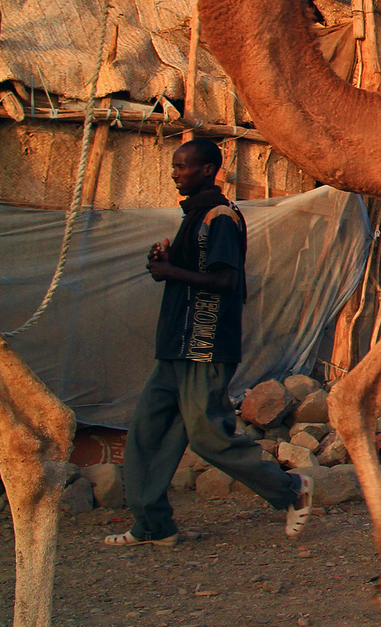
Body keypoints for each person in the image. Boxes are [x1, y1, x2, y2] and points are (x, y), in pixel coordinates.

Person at [105, 140, 311, 547]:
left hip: (206, 344)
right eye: (174, 166)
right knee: (146, 430)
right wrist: (164, 262)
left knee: (207, 435)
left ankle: (290, 490)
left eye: (183, 166)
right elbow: (188, 269)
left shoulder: (221, 218)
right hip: (176, 344)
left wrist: (169, 272)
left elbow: (225, 280)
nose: (175, 173)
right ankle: (153, 526)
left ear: (208, 170)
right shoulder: (195, 216)